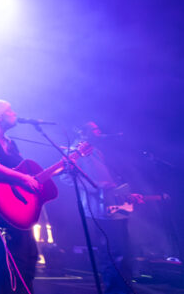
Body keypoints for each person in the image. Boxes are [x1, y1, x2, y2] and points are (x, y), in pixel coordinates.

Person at [0, 100, 39, 294]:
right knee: (8, 264)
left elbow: (21, 172)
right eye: (10, 111)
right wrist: (23, 178)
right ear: (0, 117)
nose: (14, 113)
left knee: (28, 258)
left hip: (17, 209)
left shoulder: (11, 144)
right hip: (0, 210)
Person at [73, 121, 139, 294]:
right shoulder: (75, 151)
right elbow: (66, 177)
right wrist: (96, 186)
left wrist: (123, 193)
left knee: (123, 252)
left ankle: (124, 289)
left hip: (114, 206)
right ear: (83, 133)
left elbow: (108, 181)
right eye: (94, 129)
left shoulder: (97, 151)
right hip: (99, 209)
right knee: (111, 253)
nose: (99, 132)